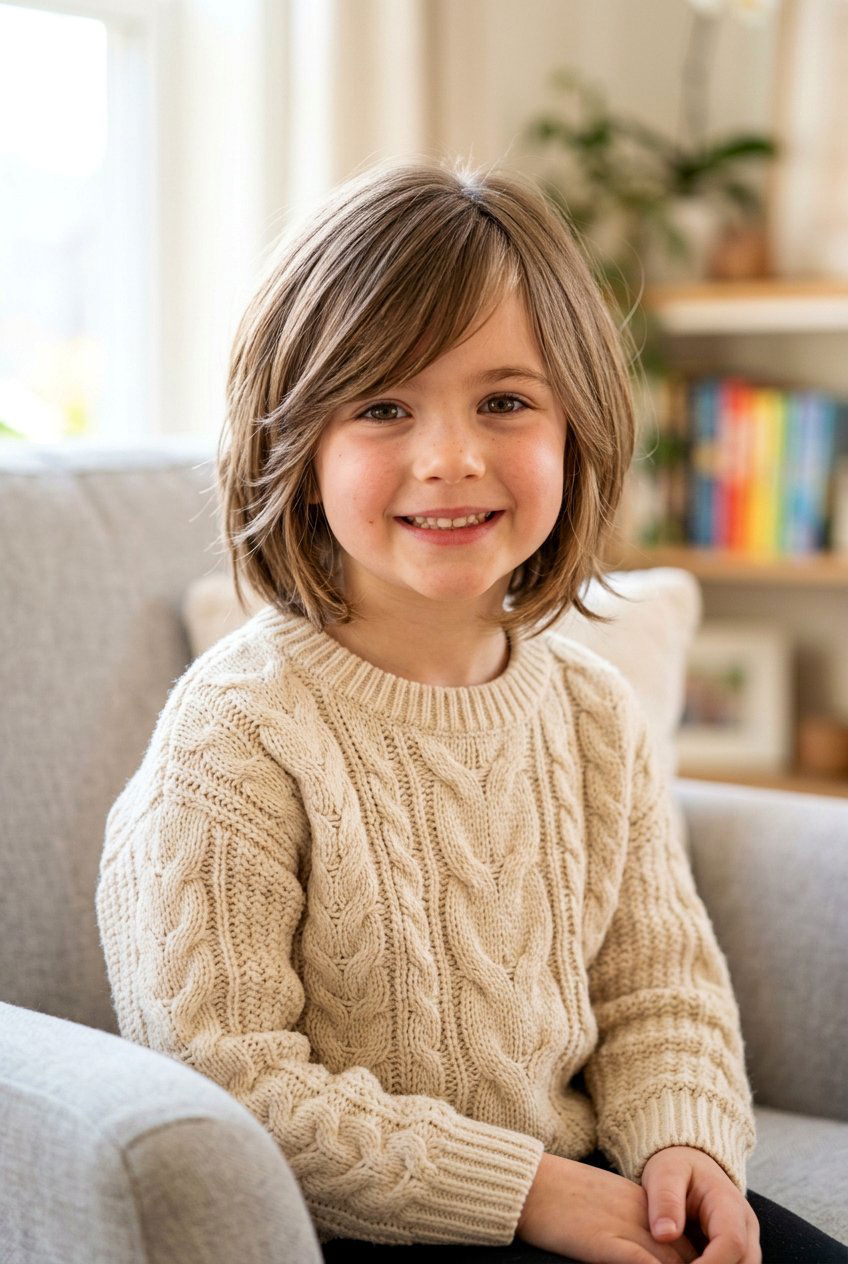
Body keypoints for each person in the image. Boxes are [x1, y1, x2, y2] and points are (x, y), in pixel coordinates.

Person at [94, 156, 847, 1264]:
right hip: (352, 1225)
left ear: (572, 430)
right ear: (296, 454)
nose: (449, 457)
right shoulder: (236, 731)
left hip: (586, 1189)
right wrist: (524, 1192)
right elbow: (223, 1075)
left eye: (503, 402)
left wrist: (682, 1145)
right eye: (383, 406)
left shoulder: (590, 712)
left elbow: (657, 987)